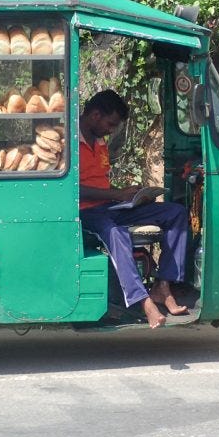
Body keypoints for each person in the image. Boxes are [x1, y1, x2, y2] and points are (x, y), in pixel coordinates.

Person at [78, 89, 189, 328]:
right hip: (84, 213)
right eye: (110, 124)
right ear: (95, 115)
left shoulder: (100, 142)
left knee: (175, 213)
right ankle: (144, 302)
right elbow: (72, 190)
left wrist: (130, 195)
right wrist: (116, 194)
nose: (111, 130)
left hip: (109, 206)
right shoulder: (68, 142)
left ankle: (163, 285)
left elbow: (99, 183)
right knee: (116, 234)